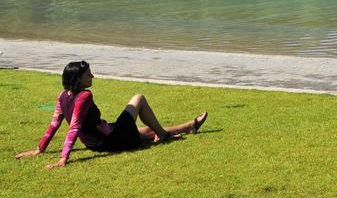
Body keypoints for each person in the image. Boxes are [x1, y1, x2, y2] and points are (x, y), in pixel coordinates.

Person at [14, 61, 207, 168]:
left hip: (98, 139)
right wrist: (63, 159)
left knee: (146, 130)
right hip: (109, 140)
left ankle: (190, 126)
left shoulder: (62, 95)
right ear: (78, 79)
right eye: (88, 74)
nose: (92, 76)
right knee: (139, 98)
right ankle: (164, 136)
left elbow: (54, 124)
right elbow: (74, 127)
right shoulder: (84, 96)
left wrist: (40, 149)